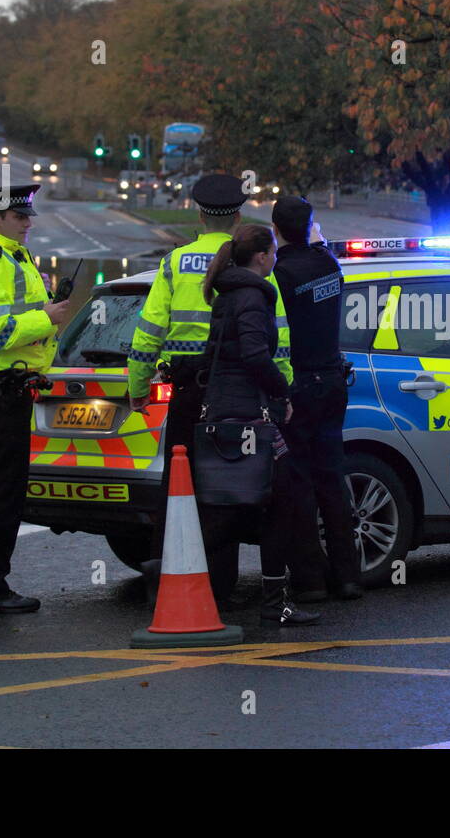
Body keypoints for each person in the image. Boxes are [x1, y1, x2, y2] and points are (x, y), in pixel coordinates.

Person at [127, 174, 293, 601]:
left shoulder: (175, 262)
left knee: (179, 489)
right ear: (237, 217)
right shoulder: (253, 267)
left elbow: (147, 334)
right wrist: (282, 392)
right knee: (230, 488)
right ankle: (220, 586)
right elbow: (279, 342)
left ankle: (169, 582)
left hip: (189, 395)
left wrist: (138, 387)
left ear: (199, 215)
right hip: (238, 396)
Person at [0, 184, 71, 613]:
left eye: (28, 216)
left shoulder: (15, 257)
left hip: (10, 387)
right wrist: (49, 317)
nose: (28, 223)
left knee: (3, 488)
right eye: (19, 217)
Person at [200, 225, 319, 626]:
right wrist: (282, 393)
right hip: (250, 416)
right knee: (280, 503)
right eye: (272, 253)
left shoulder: (228, 293)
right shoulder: (252, 296)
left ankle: (197, 590)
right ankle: (274, 602)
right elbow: (253, 354)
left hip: (225, 412)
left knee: (228, 507)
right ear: (264, 257)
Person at [271, 196, 364, 602]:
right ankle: (347, 578)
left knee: (300, 483)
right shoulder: (328, 265)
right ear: (310, 226)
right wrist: (315, 234)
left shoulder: (280, 274)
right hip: (332, 383)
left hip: (300, 385)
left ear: (275, 230)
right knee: (332, 479)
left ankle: (310, 581)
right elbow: (323, 246)